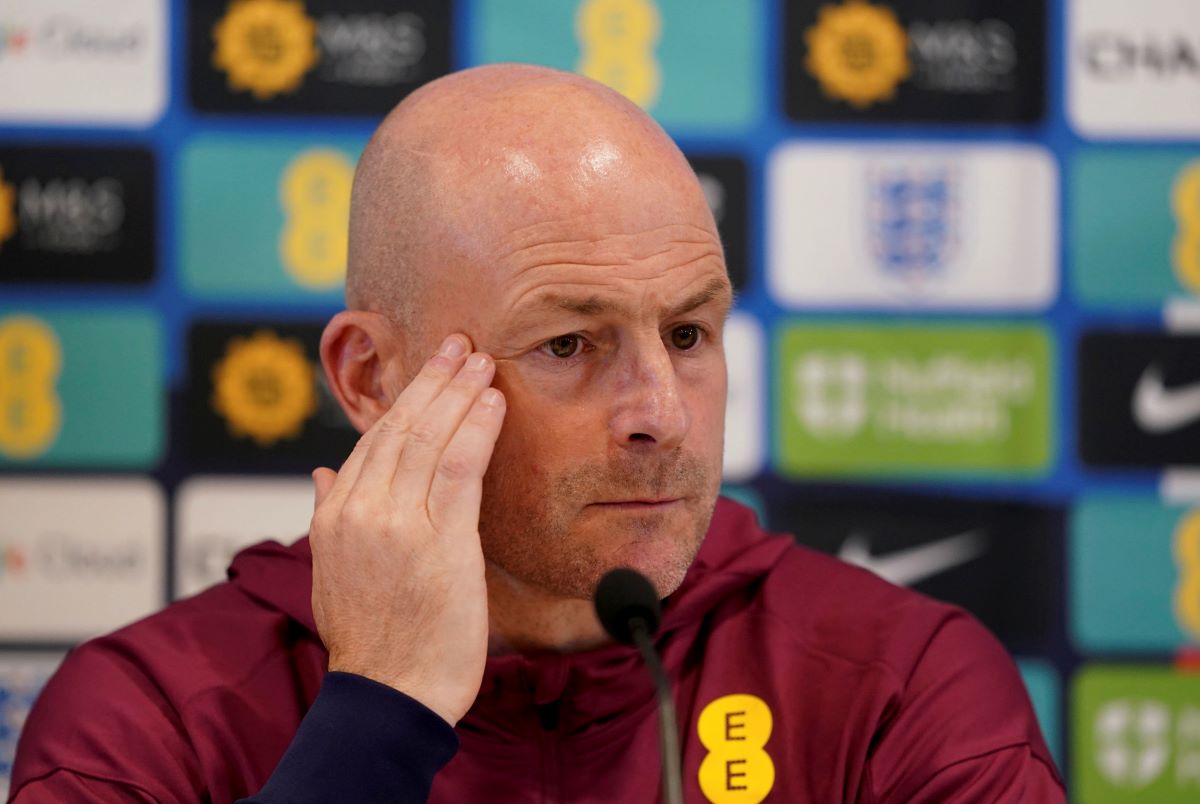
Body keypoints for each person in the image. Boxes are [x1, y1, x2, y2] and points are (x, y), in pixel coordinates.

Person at [9, 64, 1065, 803]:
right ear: (372, 378)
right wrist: (378, 714)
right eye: (569, 344)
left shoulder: (894, 684)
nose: (662, 412)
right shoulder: (152, 716)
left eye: (690, 331)